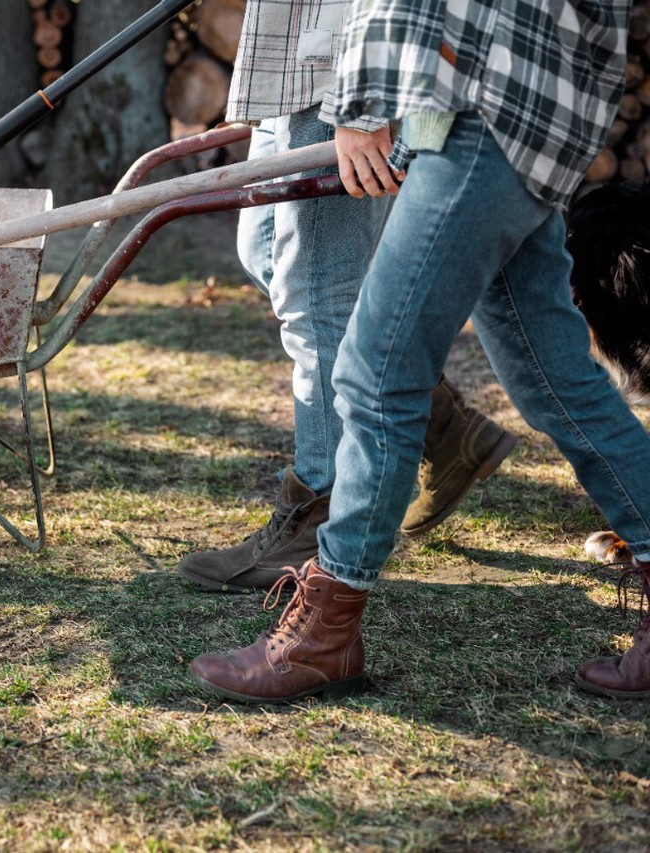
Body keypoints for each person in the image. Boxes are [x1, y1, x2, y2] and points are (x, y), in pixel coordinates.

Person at [190, 0, 650, 702]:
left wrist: (363, 104)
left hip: (483, 105)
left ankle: (324, 635)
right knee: (554, 379)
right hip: (533, 107)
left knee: (377, 376)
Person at [176, 0, 516, 594]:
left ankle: (321, 515)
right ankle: (440, 423)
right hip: (292, 57)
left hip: (341, 64)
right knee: (265, 254)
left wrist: (364, 105)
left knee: (320, 298)